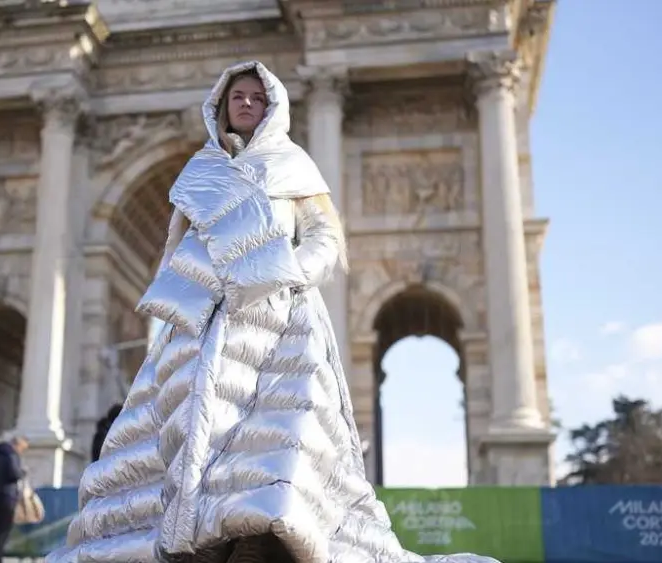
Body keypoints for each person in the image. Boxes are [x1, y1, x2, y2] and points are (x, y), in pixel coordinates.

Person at [44, 61, 499, 563]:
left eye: (256, 98)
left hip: (277, 319)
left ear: (272, 107)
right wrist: (178, 304)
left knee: (275, 432)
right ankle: (195, 537)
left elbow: (326, 239)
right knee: (190, 427)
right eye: (237, 96)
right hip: (202, 324)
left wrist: (283, 273)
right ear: (221, 105)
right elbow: (174, 252)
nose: (246, 104)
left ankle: (260, 538)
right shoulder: (199, 170)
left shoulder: (294, 163)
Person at [0, 433, 28, 563]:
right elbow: (14, 474)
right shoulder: (11, 455)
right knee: (3, 532)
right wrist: (23, 472)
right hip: (7, 497)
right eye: (22, 448)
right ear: (17, 444)